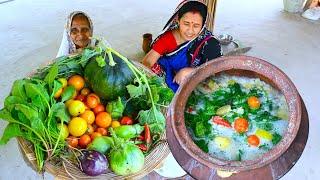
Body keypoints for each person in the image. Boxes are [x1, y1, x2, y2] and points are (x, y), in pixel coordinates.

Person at [142, 0, 222, 92]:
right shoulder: (168, 39)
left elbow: (217, 67)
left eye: (196, 26)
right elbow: (147, 62)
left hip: (195, 78)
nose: (190, 31)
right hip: (170, 74)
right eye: (186, 24)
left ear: (203, 25)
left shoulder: (209, 43)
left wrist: (191, 71)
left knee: (212, 87)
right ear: (178, 20)